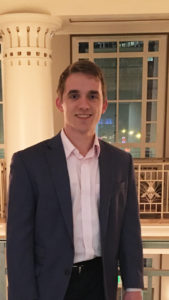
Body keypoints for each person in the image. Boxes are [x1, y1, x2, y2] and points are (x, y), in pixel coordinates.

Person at [7, 60, 143, 300]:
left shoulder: (121, 163)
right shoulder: (29, 163)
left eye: (93, 96)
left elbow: (129, 231)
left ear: (103, 105)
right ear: (60, 102)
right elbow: (19, 246)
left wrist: (133, 287)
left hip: (101, 285)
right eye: (74, 96)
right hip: (50, 288)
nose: (84, 104)